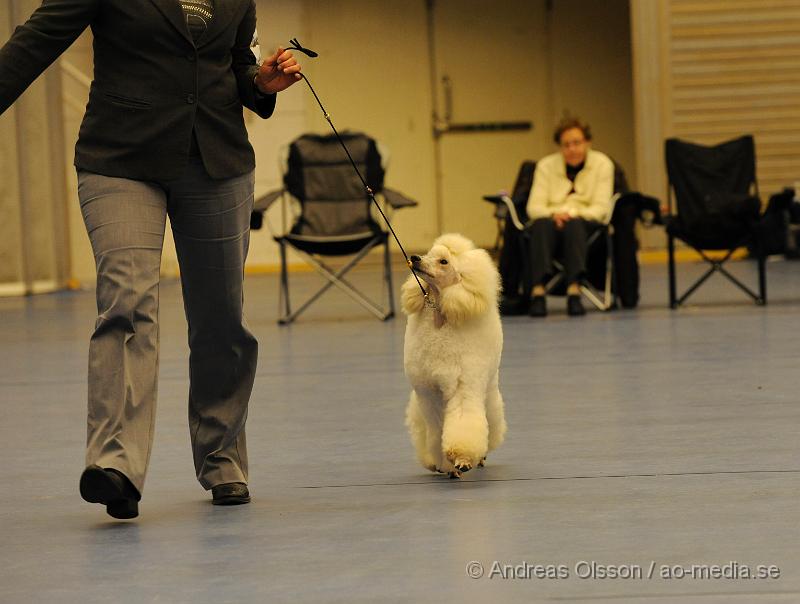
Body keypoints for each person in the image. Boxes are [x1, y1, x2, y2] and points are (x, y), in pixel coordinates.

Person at [0, 0, 302, 519]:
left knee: (221, 319)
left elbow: (238, 65)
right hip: (121, 160)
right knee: (126, 300)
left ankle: (222, 455)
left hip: (217, 161)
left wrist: (261, 83)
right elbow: (35, 41)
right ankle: (114, 463)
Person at [526, 117, 614, 317]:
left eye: (577, 143)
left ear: (587, 143)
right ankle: (538, 292)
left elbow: (601, 208)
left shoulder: (603, 164)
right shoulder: (545, 166)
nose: (572, 149)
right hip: (551, 220)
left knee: (575, 226)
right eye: (566, 145)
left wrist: (571, 215)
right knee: (540, 225)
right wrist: (554, 214)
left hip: (585, 221)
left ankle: (574, 291)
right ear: (559, 147)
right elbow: (534, 207)